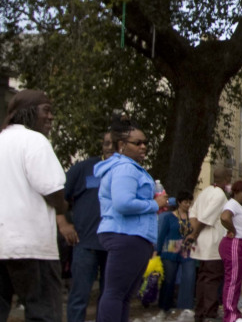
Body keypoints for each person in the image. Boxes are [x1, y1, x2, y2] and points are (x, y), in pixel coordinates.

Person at [0, 90, 76, 322]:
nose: (51, 117)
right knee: (44, 314)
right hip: (32, 247)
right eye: (46, 110)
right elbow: (51, 189)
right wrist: (63, 208)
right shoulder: (34, 141)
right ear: (28, 113)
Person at [95, 121, 168, 322]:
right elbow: (123, 203)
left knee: (124, 296)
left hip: (133, 235)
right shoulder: (125, 168)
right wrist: (154, 204)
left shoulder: (129, 168)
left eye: (145, 143)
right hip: (126, 234)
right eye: (137, 143)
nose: (143, 146)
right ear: (121, 145)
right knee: (116, 293)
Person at [63, 130, 114, 322]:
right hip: (85, 243)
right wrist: (64, 225)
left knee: (109, 297)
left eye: (113, 143)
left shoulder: (126, 171)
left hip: (114, 245)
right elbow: (60, 198)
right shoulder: (84, 168)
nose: (109, 147)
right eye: (105, 143)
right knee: (79, 297)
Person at [189, 166, 231, 322]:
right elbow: (206, 218)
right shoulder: (219, 195)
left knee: (202, 278)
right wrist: (195, 233)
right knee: (212, 279)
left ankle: (199, 312)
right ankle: (209, 313)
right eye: (230, 177)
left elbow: (193, 213)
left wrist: (195, 232)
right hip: (213, 244)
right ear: (226, 178)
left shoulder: (204, 192)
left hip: (202, 243)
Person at [219, 182, 242, 322]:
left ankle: (234, 312)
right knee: (232, 280)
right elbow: (224, 217)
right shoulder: (232, 204)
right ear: (235, 192)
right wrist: (233, 230)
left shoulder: (239, 206)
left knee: (236, 280)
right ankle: (230, 315)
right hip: (235, 243)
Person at [157, 191, 196, 316]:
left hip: (187, 249)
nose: (188, 205)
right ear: (179, 202)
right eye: (185, 202)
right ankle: (164, 306)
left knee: (189, 277)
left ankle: (186, 306)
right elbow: (162, 235)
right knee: (169, 279)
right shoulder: (169, 217)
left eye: (190, 202)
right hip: (170, 249)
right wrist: (156, 251)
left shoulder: (192, 217)